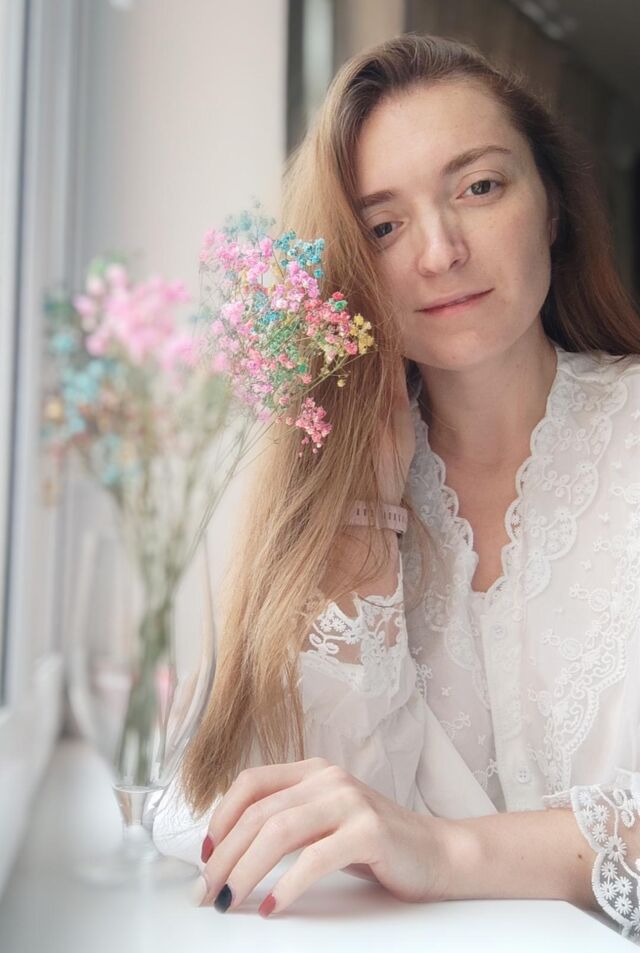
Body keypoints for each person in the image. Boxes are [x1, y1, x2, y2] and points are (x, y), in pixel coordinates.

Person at [153, 33, 640, 939]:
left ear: (554, 207)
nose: (440, 251)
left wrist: (446, 850)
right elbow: (253, 813)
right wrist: (362, 517)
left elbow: (404, 842)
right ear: (349, 267)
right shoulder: (321, 494)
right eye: (384, 226)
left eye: (479, 187)